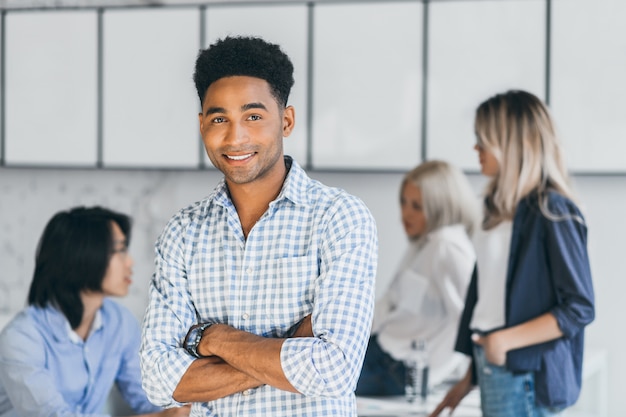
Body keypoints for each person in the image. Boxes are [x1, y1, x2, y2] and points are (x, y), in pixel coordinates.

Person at [139, 36, 378, 417]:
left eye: (253, 116)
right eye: (220, 119)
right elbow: (158, 381)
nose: (236, 137)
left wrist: (214, 338)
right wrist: (288, 346)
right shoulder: (183, 232)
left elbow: (334, 370)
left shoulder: (339, 217)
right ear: (202, 126)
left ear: (286, 120)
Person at [429, 90, 595, 417]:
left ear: (512, 144)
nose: (475, 148)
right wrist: (469, 379)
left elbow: (579, 307)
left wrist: (503, 342)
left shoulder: (554, 212)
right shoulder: (498, 214)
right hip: (493, 365)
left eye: (483, 139)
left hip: (524, 373)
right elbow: (491, 303)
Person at [0, 206, 190, 417]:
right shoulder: (21, 339)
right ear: (84, 256)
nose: (130, 262)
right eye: (120, 250)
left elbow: (147, 398)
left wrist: (179, 409)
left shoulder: (120, 322)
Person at [356, 160, 478, 396]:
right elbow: (392, 303)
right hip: (381, 350)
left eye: (417, 207)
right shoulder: (425, 244)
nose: (405, 214)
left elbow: (468, 322)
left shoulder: (446, 248)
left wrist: (441, 375)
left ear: (440, 207)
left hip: (396, 367)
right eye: (403, 202)